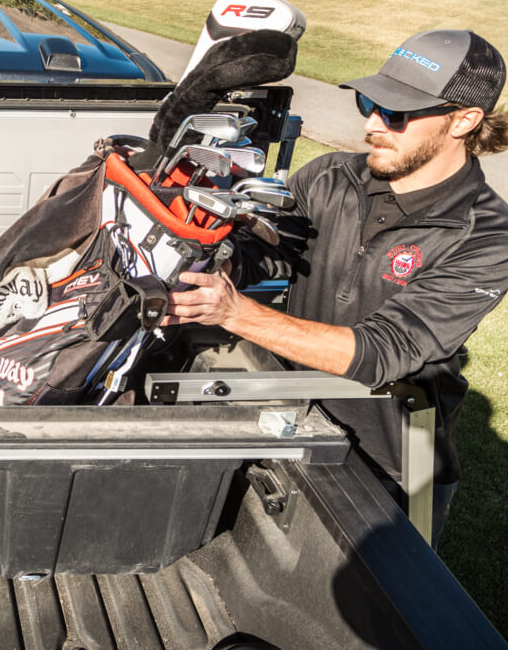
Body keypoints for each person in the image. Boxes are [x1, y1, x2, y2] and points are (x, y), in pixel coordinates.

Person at [165, 29, 508, 541]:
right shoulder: (328, 176)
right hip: (293, 415)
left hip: (394, 461)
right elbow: (273, 254)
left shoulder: (486, 236)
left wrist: (235, 313)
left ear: (463, 120)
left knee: (388, 609)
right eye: (370, 101)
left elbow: (383, 351)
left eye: (397, 113)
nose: (373, 123)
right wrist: (224, 258)